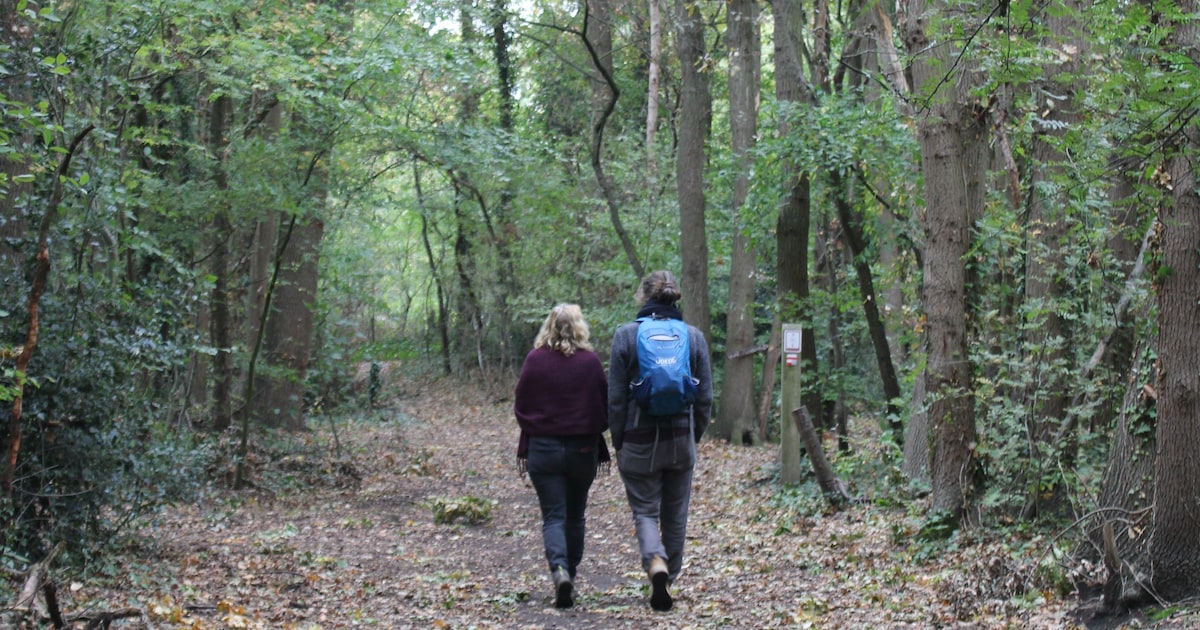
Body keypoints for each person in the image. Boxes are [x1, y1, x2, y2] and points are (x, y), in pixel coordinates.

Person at [608, 270, 712, 612]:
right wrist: (693, 438)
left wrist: (619, 440)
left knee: (644, 510)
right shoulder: (693, 337)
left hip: (638, 440)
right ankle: (669, 578)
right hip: (681, 440)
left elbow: (617, 399)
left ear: (643, 296)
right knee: (676, 514)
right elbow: (705, 398)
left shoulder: (626, 336)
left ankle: (655, 561)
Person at [514, 303, 610, 609]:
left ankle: (559, 571)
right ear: (579, 327)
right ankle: (570, 573)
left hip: (542, 449)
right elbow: (603, 408)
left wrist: (538, 426)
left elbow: (521, 405)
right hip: (582, 450)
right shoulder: (590, 362)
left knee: (554, 515)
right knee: (575, 514)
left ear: (549, 326)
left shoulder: (534, 360)